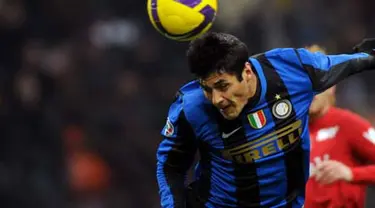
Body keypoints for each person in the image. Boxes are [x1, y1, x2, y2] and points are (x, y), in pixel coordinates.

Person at [156, 32, 375, 208]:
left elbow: (346, 63)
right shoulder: (191, 107)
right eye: (207, 89)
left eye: (223, 86)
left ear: (247, 72)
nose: (216, 100)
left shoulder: (292, 70)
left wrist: (367, 58)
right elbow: (170, 166)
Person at [305, 45, 375, 208]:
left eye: (317, 82)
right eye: (304, 83)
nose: (311, 91)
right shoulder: (290, 133)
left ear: (331, 85)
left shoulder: (348, 124)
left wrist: (351, 173)